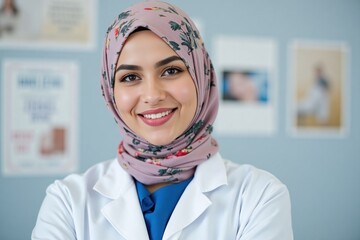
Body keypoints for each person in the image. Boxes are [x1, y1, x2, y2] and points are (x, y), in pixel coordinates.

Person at [32, 1, 293, 239]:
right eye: (130, 77)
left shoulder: (259, 197)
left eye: (171, 70)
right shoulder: (68, 202)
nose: (153, 95)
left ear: (201, 77)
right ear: (110, 91)